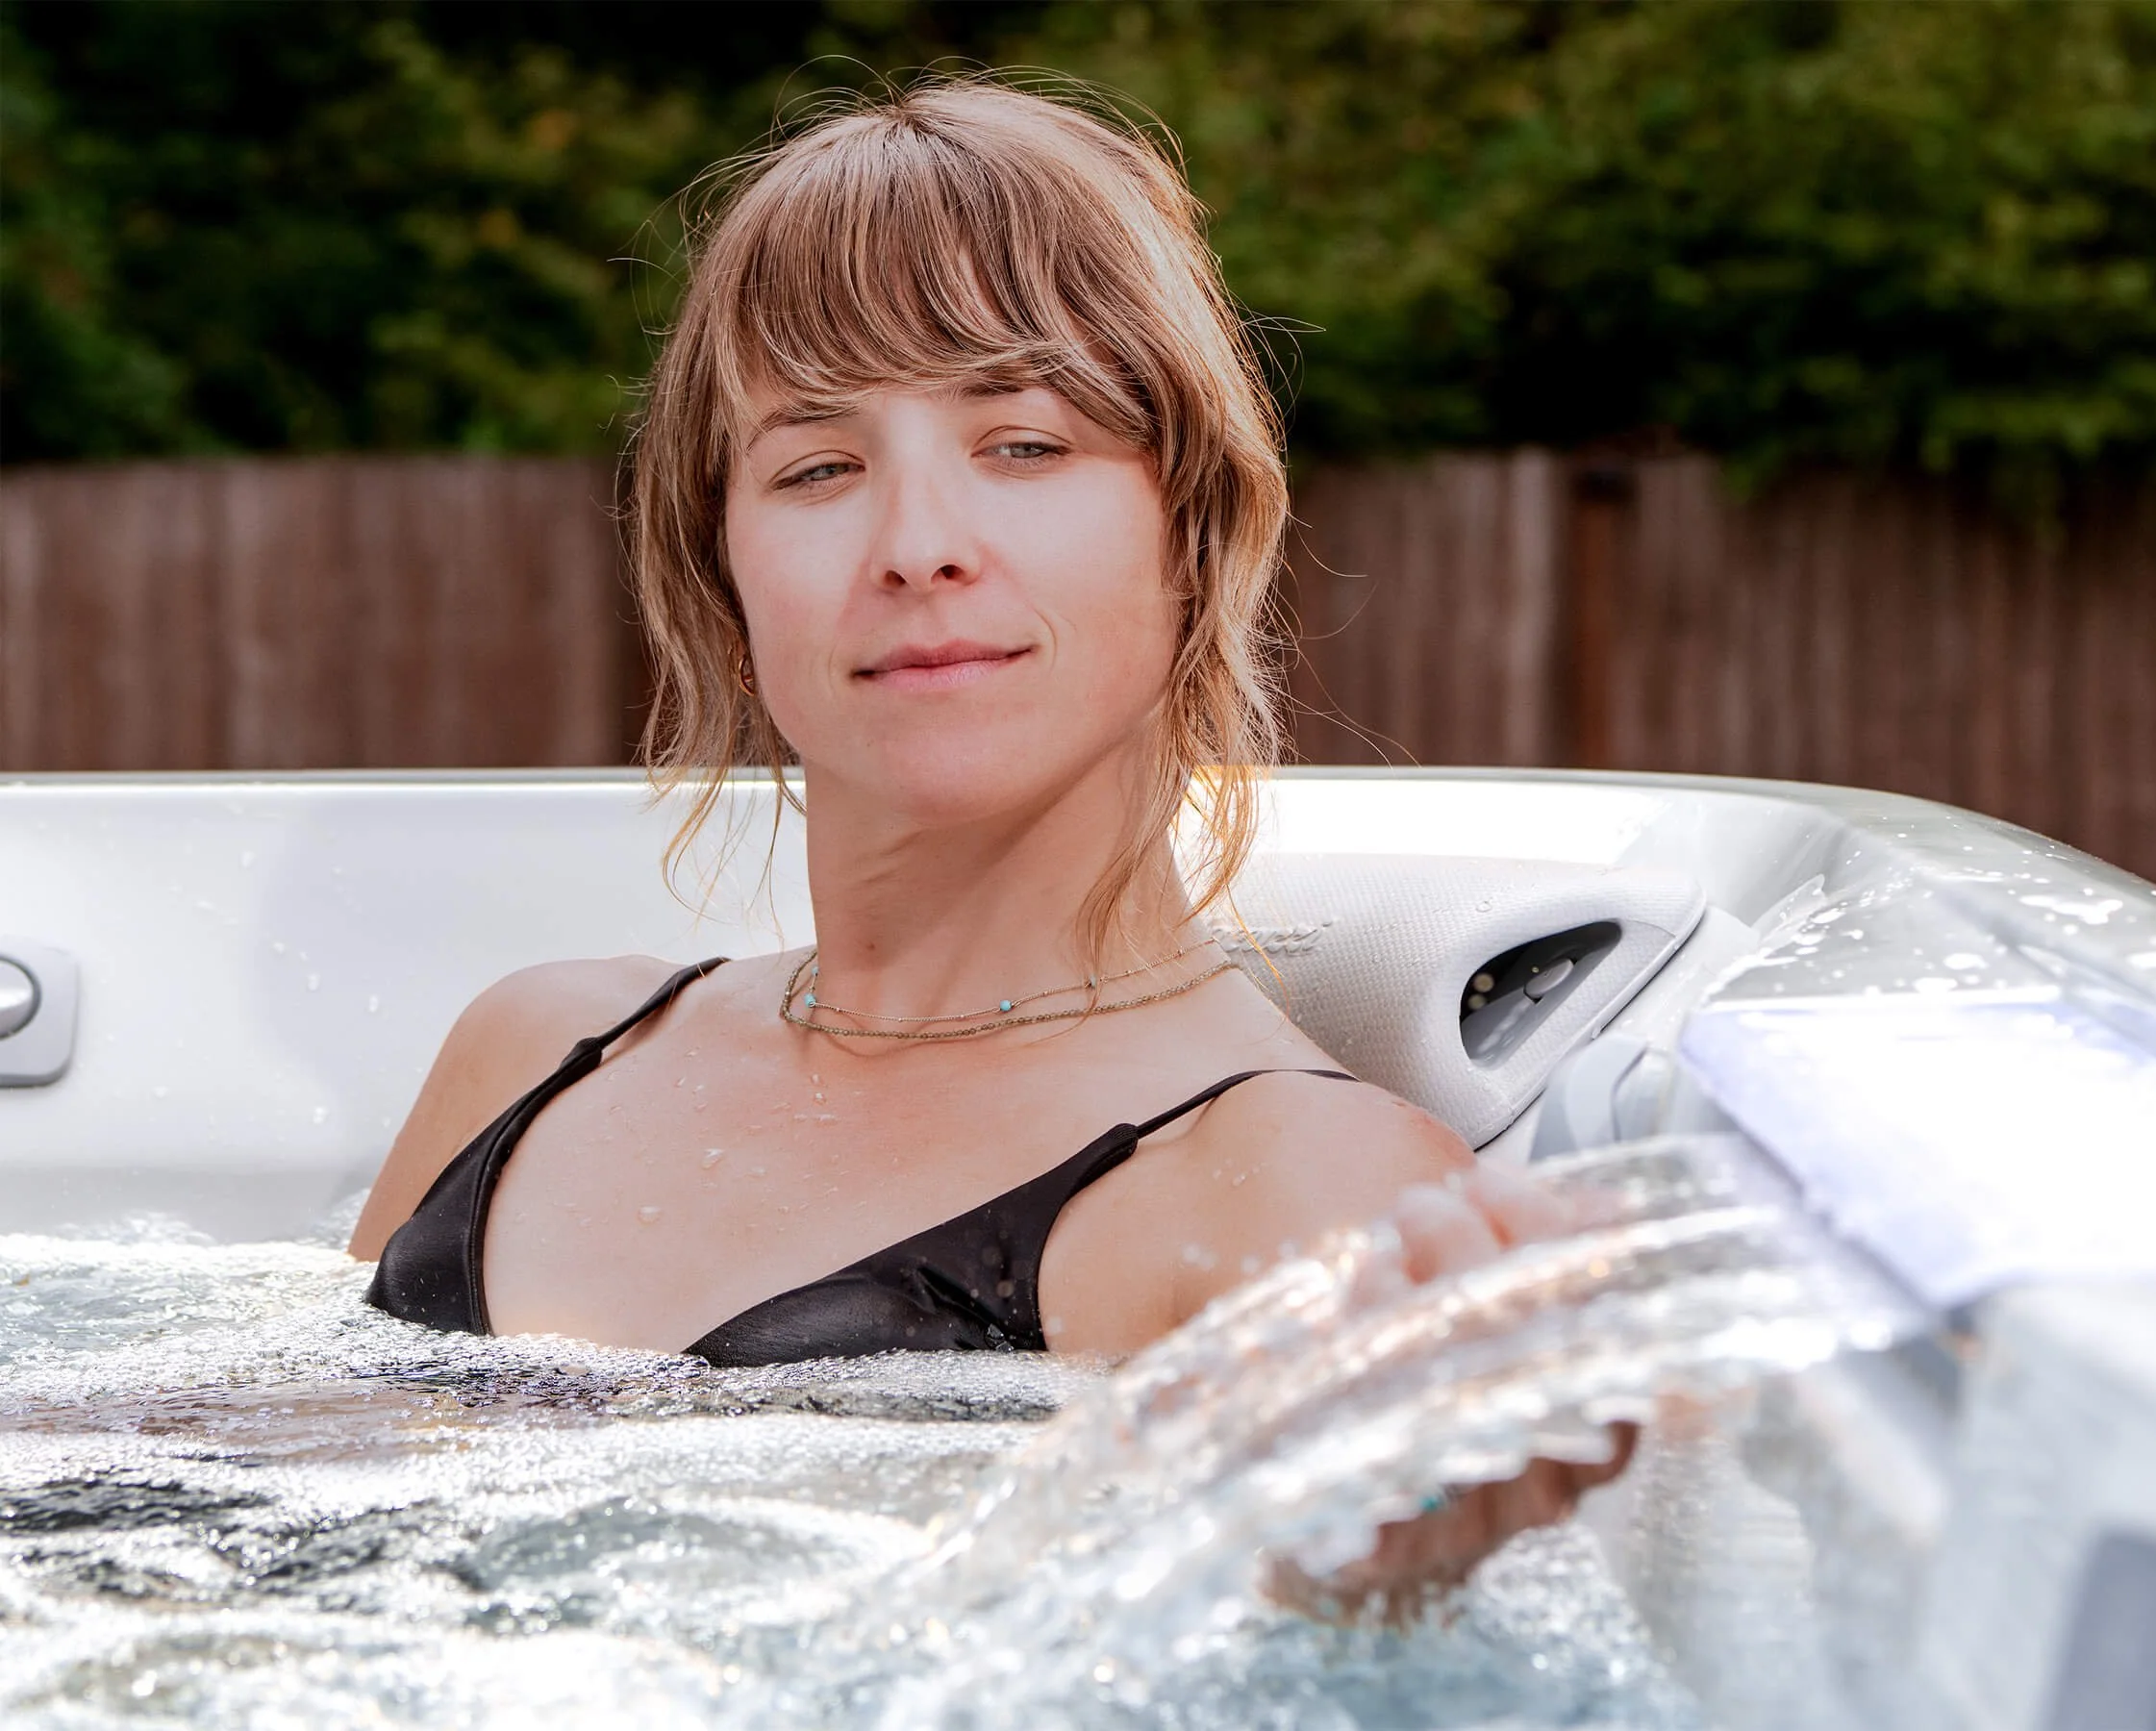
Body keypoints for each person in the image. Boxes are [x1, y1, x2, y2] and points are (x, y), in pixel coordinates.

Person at [348, 76, 1630, 1611]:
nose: (916, 545)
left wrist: (1365, 1595)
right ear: (723, 571)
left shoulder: (1297, 1186)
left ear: (1193, 527)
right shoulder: (543, 1050)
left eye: (1025, 444)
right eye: (818, 467)